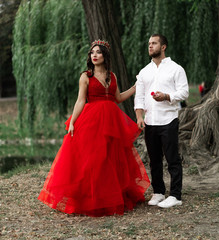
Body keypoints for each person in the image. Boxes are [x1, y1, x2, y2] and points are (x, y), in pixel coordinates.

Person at [38, 39, 150, 217]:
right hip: (92, 120)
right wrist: (73, 121)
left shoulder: (111, 76)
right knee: (94, 159)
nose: (95, 55)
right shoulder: (86, 76)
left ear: (105, 56)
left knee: (111, 158)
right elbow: (81, 100)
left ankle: (113, 197)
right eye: (92, 53)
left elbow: (118, 98)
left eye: (98, 52)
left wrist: (135, 88)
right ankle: (89, 200)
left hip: (112, 120)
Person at [134, 34, 189, 208]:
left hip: (169, 119)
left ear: (163, 47)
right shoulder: (144, 71)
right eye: (149, 43)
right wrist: (139, 116)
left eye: (154, 43)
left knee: (172, 158)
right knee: (154, 159)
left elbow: (184, 92)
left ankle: (175, 195)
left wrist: (166, 96)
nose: (150, 46)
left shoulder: (176, 69)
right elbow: (139, 96)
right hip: (150, 121)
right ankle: (158, 192)